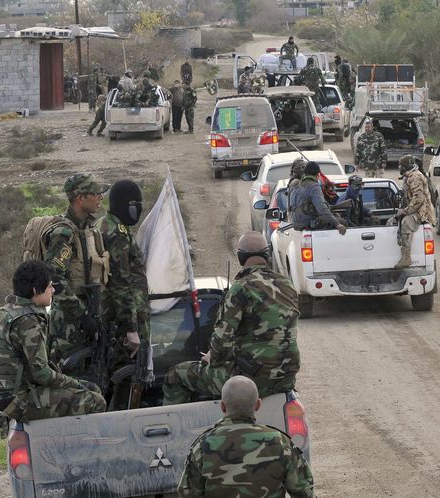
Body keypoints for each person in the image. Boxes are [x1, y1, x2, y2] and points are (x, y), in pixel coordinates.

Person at [163, 232, 302, 404]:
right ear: (267, 254)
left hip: (250, 380)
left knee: (175, 375)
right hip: (285, 379)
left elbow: (222, 340)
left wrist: (211, 358)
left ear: (240, 257)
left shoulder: (241, 288)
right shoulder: (287, 285)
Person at [0, 261, 106, 422]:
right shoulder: (28, 322)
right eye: (49, 287)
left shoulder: (4, 312)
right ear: (35, 290)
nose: (53, 291)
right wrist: (74, 383)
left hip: (7, 396)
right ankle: (73, 446)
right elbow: (42, 375)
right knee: (95, 401)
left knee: (92, 388)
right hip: (18, 401)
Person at [177, 375, 315, 497]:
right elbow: (304, 491)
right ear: (258, 405)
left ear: (223, 407)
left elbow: (187, 493)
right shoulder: (279, 442)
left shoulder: (202, 446)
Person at [44, 173, 110, 364]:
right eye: (96, 194)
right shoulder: (64, 233)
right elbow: (54, 277)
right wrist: (82, 314)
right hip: (69, 323)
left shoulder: (88, 228)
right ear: (81, 199)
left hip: (89, 314)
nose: (100, 198)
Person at [96, 180, 149, 391]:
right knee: (127, 380)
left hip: (114, 318)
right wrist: (131, 329)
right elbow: (121, 285)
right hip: (122, 324)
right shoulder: (117, 234)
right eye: (135, 203)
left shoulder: (106, 225)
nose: (138, 208)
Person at [395, 156, 436, 269]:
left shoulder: (415, 177)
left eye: (401, 165)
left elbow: (418, 198)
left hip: (421, 212)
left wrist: (406, 211)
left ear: (405, 166)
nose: (399, 167)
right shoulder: (409, 176)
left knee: (405, 224)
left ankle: (406, 257)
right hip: (417, 209)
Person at [289, 162, 348, 234]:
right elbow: (321, 208)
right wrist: (337, 224)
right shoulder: (313, 186)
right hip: (308, 223)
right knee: (343, 222)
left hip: (296, 223)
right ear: (317, 175)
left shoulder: (295, 185)